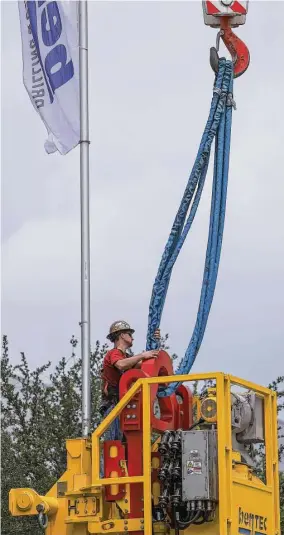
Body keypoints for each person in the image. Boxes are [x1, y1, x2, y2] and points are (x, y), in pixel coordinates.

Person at [100, 320, 160, 440]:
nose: (132, 338)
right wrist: (142, 355)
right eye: (130, 334)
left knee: (127, 442)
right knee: (115, 441)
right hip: (113, 405)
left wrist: (155, 342)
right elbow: (121, 365)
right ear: (122, 335)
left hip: (123, 405)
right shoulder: (114, 353)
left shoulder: (127, 358)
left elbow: (145, 363)